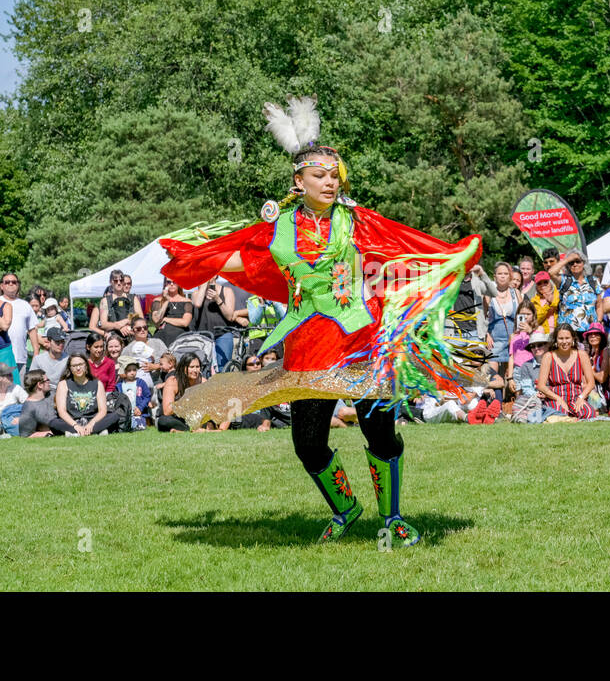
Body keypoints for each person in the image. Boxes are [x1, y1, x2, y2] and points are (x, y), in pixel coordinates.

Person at [159, 97, 482, 545]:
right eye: (320, 175)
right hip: (307, 349)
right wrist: (198, 258)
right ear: (299, 180)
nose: (330, 182)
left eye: (335, 176)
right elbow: (246, 261)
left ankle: (392, 518)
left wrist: (450, 256)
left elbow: (402, 246)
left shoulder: (357, 222)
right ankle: (346, 508)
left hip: (361, 342)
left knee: (380, 433)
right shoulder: (278, 228)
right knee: (308, 445)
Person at [536, 324, 598, 420]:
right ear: (556, 339)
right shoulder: (548, 356)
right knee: (559, 414)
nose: (564, 342)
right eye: (561, 338)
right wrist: (558, 399)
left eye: (567, 338)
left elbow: (591, 383)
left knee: (588, 413)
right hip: (556, 398)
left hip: (576, 397)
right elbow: (541, 386)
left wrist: (581, 397)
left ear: (573, 338)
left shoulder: (581, 355)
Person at [52, 354, 120, 436]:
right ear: (70, 368)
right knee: (53, 422)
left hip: (93, 421)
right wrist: (75, 425)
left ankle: (78, 433)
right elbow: (61, 411)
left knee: (114, 416)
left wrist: (91, 424)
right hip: (72, 422)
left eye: (80, 364)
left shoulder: (97, 383)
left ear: (86, 365)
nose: (78, 368)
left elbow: (103, 410)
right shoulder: (63, 384)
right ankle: (95, 431)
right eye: (74, 366)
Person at [483, 262, 519, 391]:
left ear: (510, 276)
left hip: (512, 338)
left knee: (513, 376)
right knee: (493, 376)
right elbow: (483, 317)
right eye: (500, 274)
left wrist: (517, 334)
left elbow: (521, 316)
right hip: (494, 339)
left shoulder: (516, 293)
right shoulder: (488, 294)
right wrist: (486, 334)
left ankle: (512, 405)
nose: (502, 276)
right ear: (495, 276)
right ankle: (496, 405)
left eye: (505, 274)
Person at [548, 250, 602, 333]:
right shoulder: (564, 280)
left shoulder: (593, 281)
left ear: (583, 263)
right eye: (571, 262)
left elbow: (599, 305)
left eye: (578, 261)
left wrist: (598, 322)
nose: (575, 264)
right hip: (568, 332)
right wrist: (567, 259)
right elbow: (551, 272)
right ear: (568, 265)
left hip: (590, 331)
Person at [1, 273, 40, 374]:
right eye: (7, 282)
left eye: (14, 282)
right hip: (0, 356)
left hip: (20, 357)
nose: (11, 284)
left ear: (18, 285)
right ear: (1, 286)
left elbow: (32, 330)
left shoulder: (25, 305)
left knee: (19, 388)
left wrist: (36, 352)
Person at [157, 352, 202, 432]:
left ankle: (184, 430)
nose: (195, 370)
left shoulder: (202, 382)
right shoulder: (173, 382)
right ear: (184, 368)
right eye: (191, 367)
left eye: (197, 367)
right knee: (163, 421)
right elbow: (167, 411)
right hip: (177, 418)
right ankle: (187, 429)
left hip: (195, 417)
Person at [120, 316, 168, 384]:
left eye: (145, 328)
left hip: (158, 382)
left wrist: (156, 366)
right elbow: (122, 372)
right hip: (136, 384)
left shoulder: (157, 343)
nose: (142, 330)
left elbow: (170, 360)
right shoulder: (127, 350)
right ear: (133, 330)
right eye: (139, 329)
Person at [151, 276, 194, 348]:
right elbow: (156, 319)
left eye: (174, 281)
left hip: (180, 339)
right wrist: (167, 300)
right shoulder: (158, 301)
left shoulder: (186, 301)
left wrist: (165, 319)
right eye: (168, 282)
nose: (171, 284)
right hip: (162, 338)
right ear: (165, 284)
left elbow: (185, 322)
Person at [17, 370, 59, 438]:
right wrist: (51, 433)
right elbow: (25, 435)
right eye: (47, 380)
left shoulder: (50, 395)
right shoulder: (29, 407)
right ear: (39, 385)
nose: (49, 381)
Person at [116, 362, 153, 430]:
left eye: (134, 370)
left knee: (139, 426)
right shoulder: (119, 386)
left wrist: (140, 408)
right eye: (129, 370)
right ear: (124, 371)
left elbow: (147, 396)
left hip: (138, 413)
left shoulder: (141, 383)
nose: (132, 373)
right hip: (125, 414)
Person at [530, 271, 560, 336]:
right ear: (536, 286)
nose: (542, 285)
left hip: (559, 332)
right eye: (539, 283)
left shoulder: (558, 293)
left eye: (545, 282)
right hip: (543, 333)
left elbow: (559, 305)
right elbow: (536, 319)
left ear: (550, 283)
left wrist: (552, 302)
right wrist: (548, 305)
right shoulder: (534, 301)